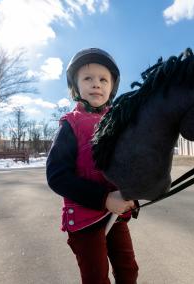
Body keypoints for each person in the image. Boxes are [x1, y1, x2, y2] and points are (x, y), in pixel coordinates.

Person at [46, 48, 139, 284]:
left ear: (111, 87)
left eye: (103, 79)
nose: (96, 84)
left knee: (128, 270)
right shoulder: (71, 125)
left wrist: (134, 191)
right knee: (96, 277)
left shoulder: (118, 123)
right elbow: (57, 176)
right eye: (88, 78)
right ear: (75, 86)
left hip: (115, 217)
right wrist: (104, 199)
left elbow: (128, 164)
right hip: (84, 220)